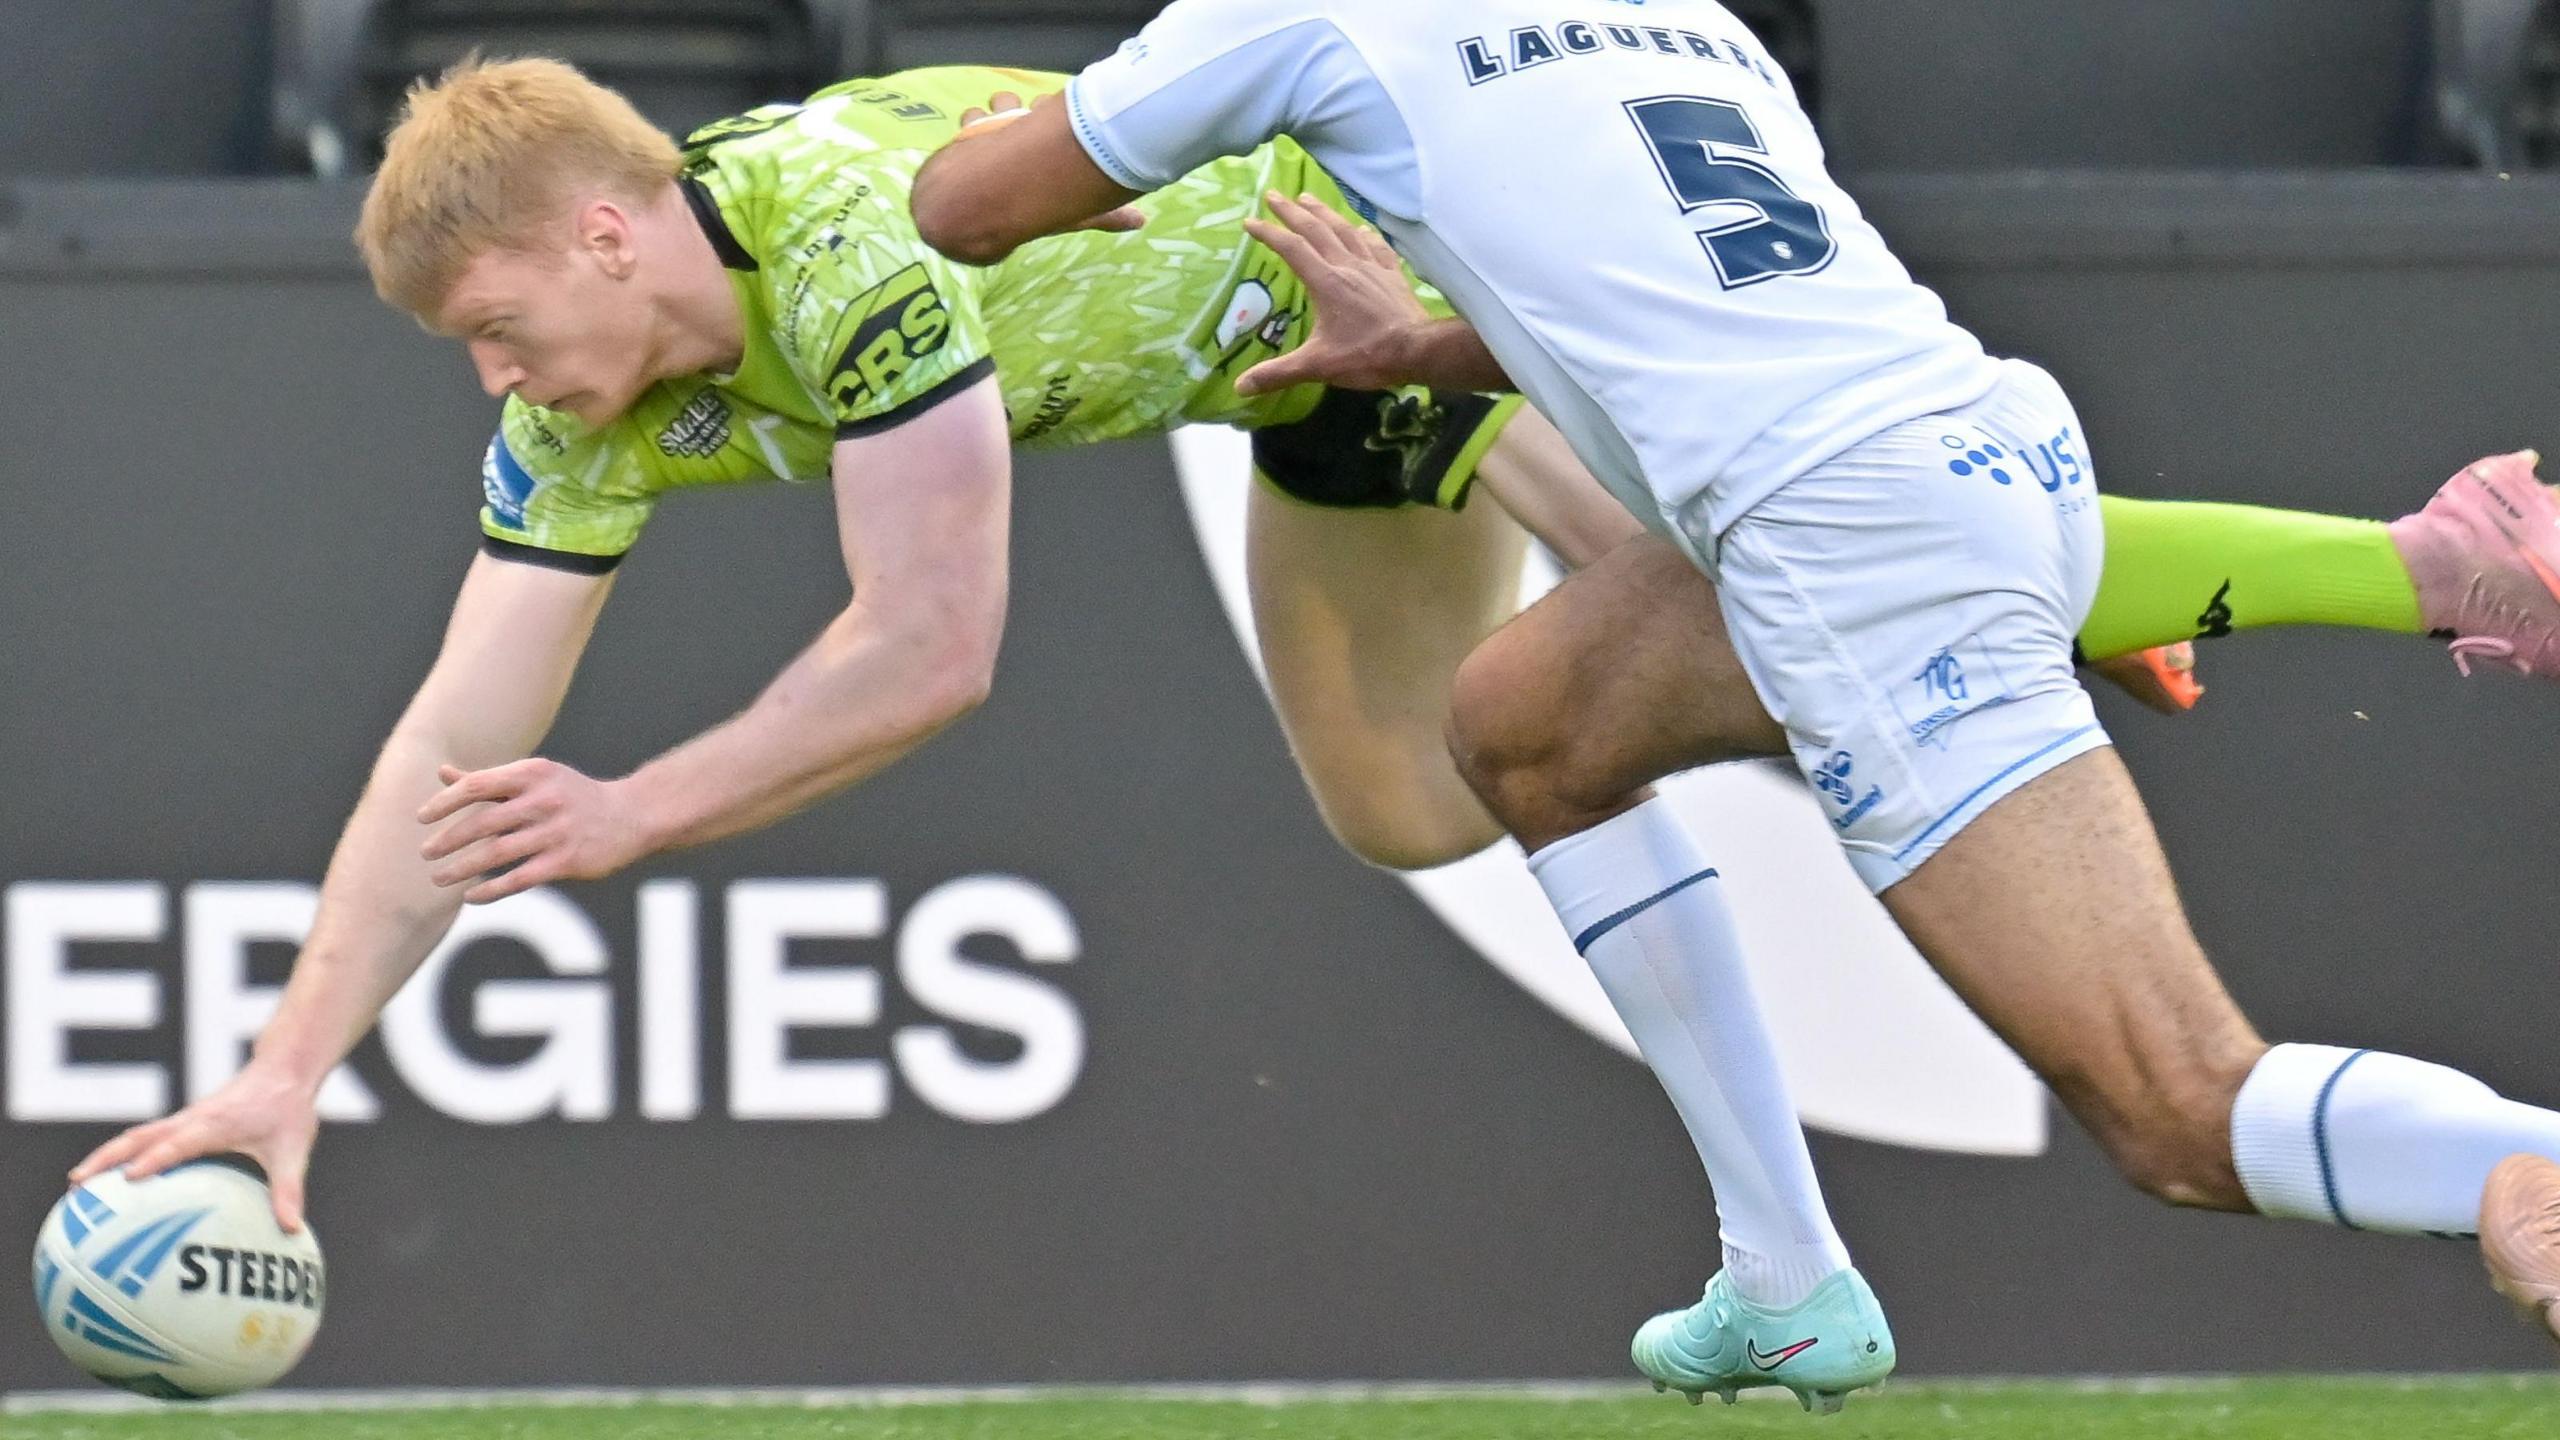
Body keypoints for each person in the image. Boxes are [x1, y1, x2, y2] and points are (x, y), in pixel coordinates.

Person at [907, 0, 2560, 1410]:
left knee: (2182, 1109)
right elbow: (1675, 308)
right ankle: (1784, 1276)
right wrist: (1417, 343)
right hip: (1979, 449)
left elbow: (964, 211)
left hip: (1851, 540)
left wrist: (1016, 125)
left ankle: (2510, 1161)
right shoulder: (1680, 15)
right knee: (1526, 722)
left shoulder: (1298, 17)